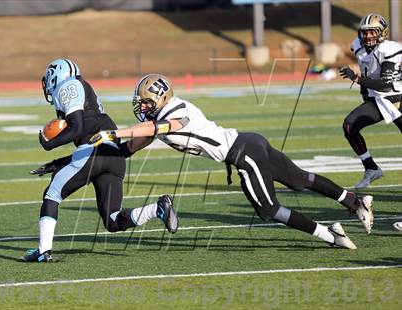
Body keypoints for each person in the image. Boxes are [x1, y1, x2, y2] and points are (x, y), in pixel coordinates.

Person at [90, 74, 375, 250]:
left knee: (268, 210)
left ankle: (330, 234)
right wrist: (94, 152)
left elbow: (157, 129)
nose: (142, 107)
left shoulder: (175, 113)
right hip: (249, 142)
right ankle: (353, 201)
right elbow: (130, 148)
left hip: (242, 152)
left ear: (162, 98)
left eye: (146, 103)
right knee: (300, 179)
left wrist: (114, 131)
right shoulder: (158, 119)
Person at [20, 60, 179, 263]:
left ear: (55, 75)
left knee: (51, 195)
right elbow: (94, 143)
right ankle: (157, 209)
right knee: (113, 221)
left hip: (94, 149)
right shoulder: (82, 93)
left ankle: (43, 250)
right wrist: (60, 162)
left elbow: (78, 129)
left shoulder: (68, 85)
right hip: (113, 157)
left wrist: (49, 144)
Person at [339, 13, 402, 189]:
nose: (368, 36)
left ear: (383, 32)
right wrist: (364, 90)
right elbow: (368, 67)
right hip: (378, 100)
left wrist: (357, 79)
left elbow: (384, 84)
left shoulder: (389, 50)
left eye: (373, 32)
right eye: (365, 33)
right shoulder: (358, 45)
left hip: (397, 96)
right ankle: (371, 168)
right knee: (349, 126)